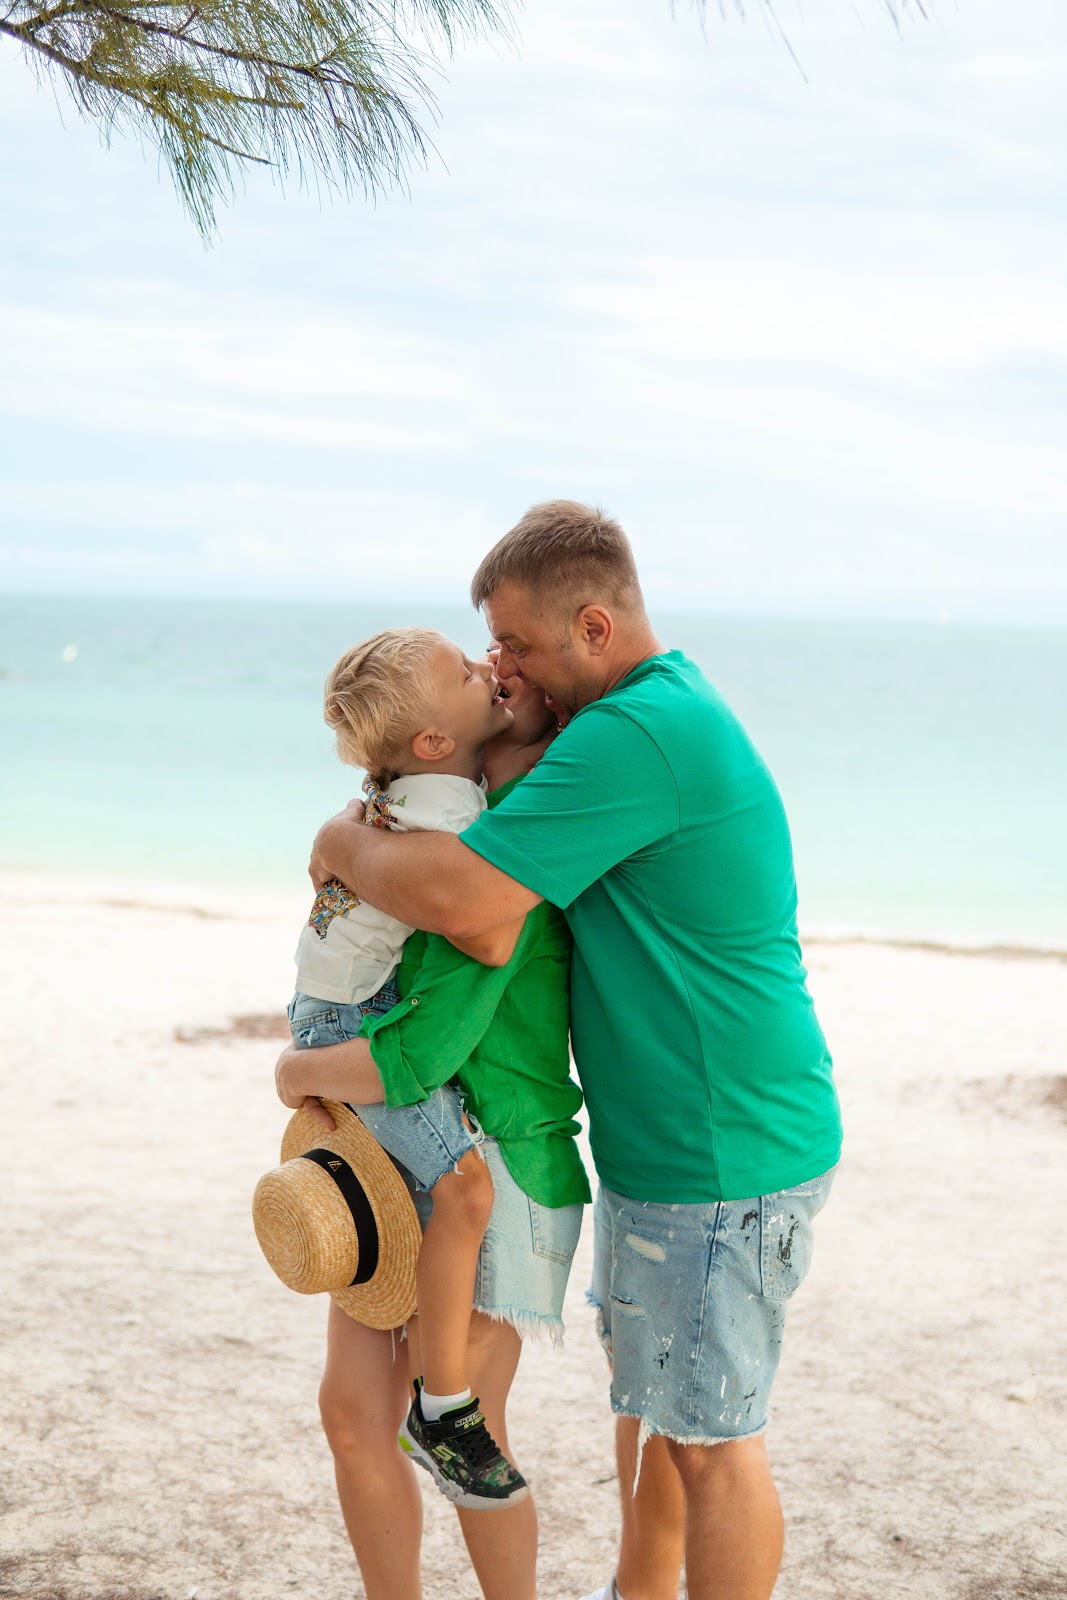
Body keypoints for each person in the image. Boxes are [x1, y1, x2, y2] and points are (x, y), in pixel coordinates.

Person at [305, 501, 844, 1600]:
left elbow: (469, 905)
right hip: (668, 1142)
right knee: (655, 1415)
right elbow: (480, 809)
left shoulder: (632, 736)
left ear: (593, 629)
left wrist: (338, 840)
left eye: (514, 643)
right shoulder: (630, 722)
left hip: (723, 1147)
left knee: (710, 1444)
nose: (501, 666)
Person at [275, 656, 590, 1599]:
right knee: (352, 1413)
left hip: (493, 1150)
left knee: (466, 1433)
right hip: (410, 1130)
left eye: (512, 664)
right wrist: (343, 836)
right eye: (481, 660)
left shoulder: (505, 845)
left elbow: (432, 1028)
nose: (495, 668)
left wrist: (301, 1072)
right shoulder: (431, 820)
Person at [286, 624, 528, 1507]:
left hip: (330, 1003)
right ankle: (441, 1404)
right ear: (431, 741)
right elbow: (486, 931)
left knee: (427, 1193)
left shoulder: (399, 793)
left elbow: (337, 863)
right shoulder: (450, 809)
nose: (485, 665)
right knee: (464, 1191)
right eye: (465, 671)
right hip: (349, 1019)